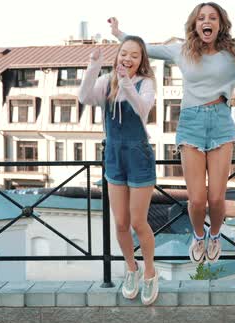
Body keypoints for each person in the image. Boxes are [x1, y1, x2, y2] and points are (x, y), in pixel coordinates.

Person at [109, 2, 235, 264]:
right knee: (196, 200)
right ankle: (199, 235)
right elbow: (146, 48)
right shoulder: (182, 50)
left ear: (220, 24)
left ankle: (215, 234)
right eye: (201, 17)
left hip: (221, 122)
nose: (207, 21)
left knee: (216, 198)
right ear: (195, 24)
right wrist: (119, 34)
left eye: (212, 18)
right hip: (191, 122)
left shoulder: (234, 52)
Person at [79, 36, 158, 305]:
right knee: (121, 223)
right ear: (117, 56)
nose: (128, 59)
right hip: (114, 156)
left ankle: (150, 271)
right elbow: (83, 97)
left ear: (141, 60)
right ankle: (131, 269)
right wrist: (94, 66)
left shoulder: (146, 83)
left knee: (138, 222)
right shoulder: (106, 82)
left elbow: (143, 108)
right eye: (124, 53)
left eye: (135, 55)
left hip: (138, 155)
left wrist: (126, 83)